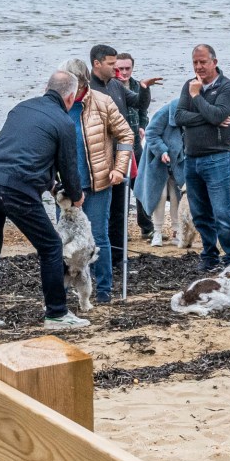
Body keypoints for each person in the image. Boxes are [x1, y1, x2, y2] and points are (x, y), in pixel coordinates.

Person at [0, 72, 89, 332]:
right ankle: (57, 314)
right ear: (70, 98)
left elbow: (24, 151)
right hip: (17, 188)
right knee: (50, 247)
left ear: (45, 88)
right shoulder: (64, 121)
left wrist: (50, 184)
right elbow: (69, 169)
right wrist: (76, 194)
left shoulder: (21, 108)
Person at [68, 57, 136, 305]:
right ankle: (65, 288)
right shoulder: (57, 103)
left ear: (82, 82)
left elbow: (126, 134)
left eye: (69, 84)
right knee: (66, 240)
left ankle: (104, 289)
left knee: (98, 236)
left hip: (97, 184)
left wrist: (119, 168)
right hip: (66, 189)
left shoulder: (102, 102)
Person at [175, 43, 230, 272]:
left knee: (222, 211)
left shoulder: (227, 87)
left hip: (217, 157)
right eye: (195, 62)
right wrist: (208, 117)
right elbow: (179, 116)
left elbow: (218, 114)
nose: (199, 67)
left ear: (214, 62)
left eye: (203, 62)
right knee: (200, 211)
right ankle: (210, 255)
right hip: (191, 157)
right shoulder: (189, 84)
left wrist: (197, 97)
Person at [87, 45, 137, 285]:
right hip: (97, 161)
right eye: (110, 63)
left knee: (119, 209)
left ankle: (117, 256)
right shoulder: (87, 89)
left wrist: (145, 90)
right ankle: (95, 261)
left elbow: (128, 125)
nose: (115, 68)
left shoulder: (116, 85)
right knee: (98, 217)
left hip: (119, 157)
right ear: (97, 63)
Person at [117, 52, 162, 239]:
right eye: (120, 69)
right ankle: (120, 230)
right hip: (118, 146)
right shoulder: (111, 87)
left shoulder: (137, 85)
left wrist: (143, 126)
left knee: (142, 185)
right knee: (120, 189)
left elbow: (143, 111)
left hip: (136, 142)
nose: (124, 72)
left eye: (128, 68)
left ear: (132, 68)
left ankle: (146, 226)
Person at [139, 95, 190, 246]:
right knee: (158, 196)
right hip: (158, 161)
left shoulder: (191, 114)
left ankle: (176, 232)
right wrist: (162, 151)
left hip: (179, 163)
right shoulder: (165, 112)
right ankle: (157, 233)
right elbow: (151, 133)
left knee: (177, 196)